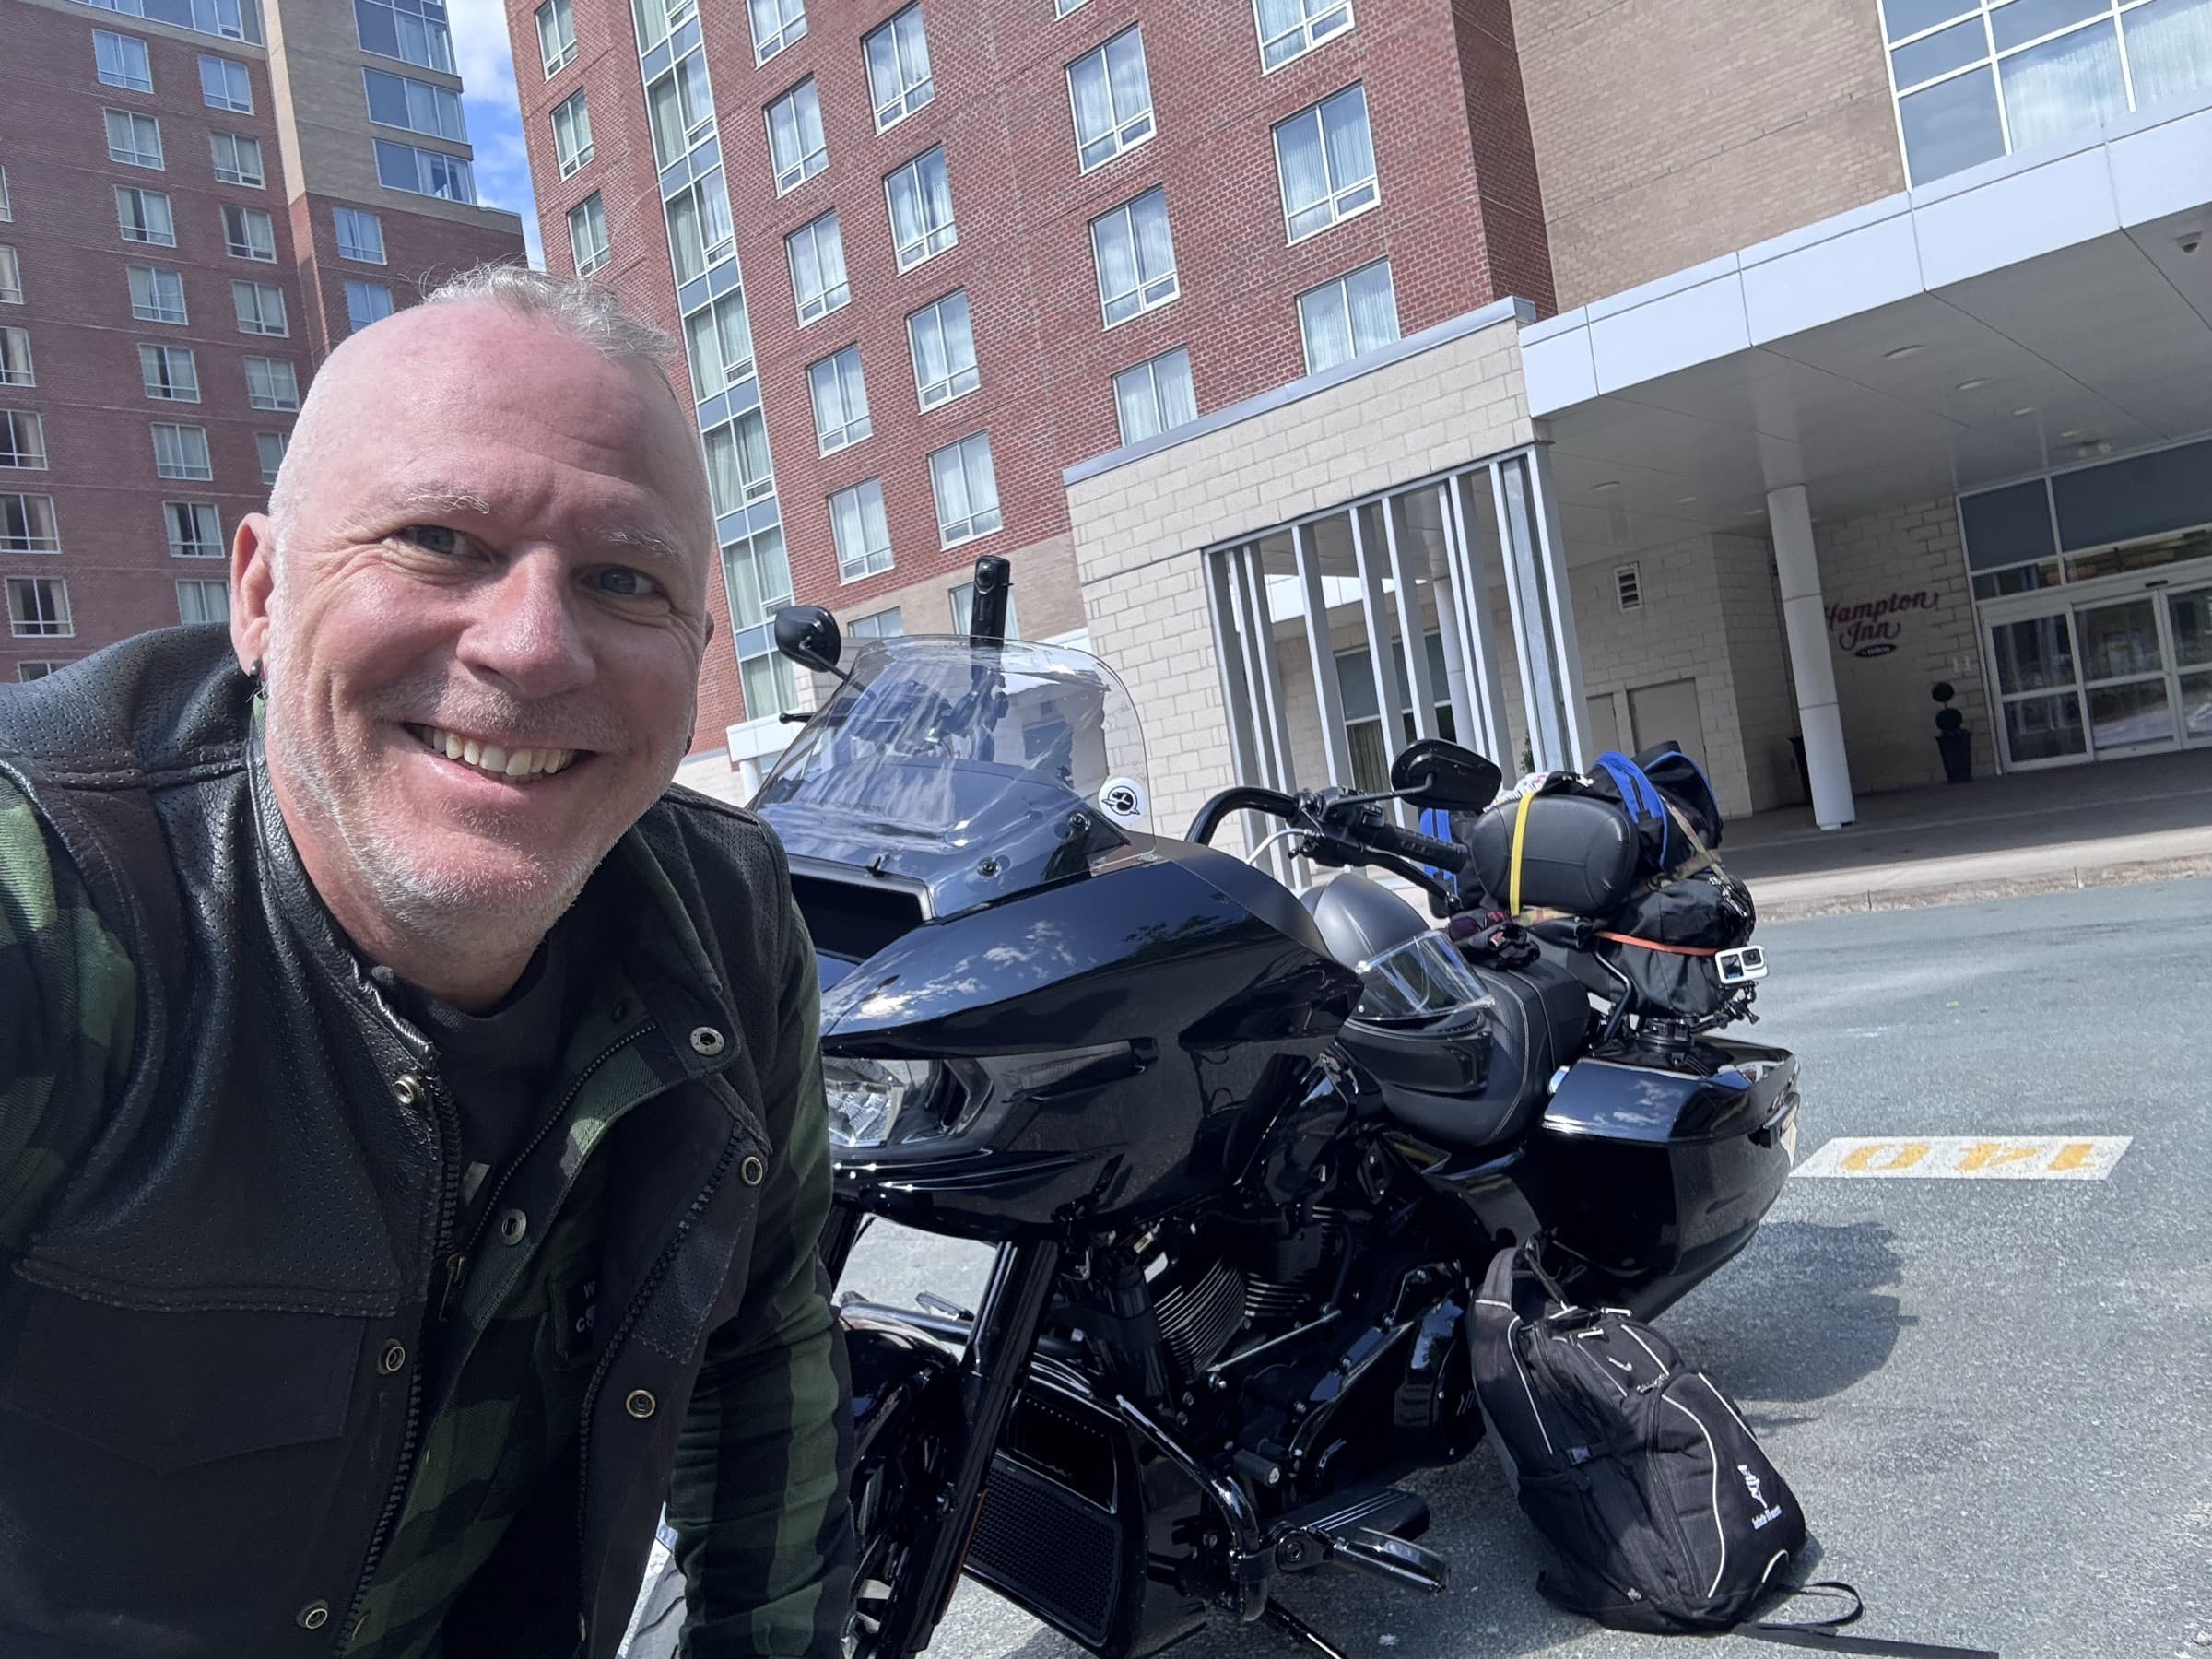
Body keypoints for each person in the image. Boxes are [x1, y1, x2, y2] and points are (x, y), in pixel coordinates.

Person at [0, 267, 853, 1657]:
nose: (528, 644)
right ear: (262, 595)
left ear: (701, 651)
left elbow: (763, 1348)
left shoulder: (730, 916)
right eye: (438, 540)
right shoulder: (52, 912)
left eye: (624, 578)